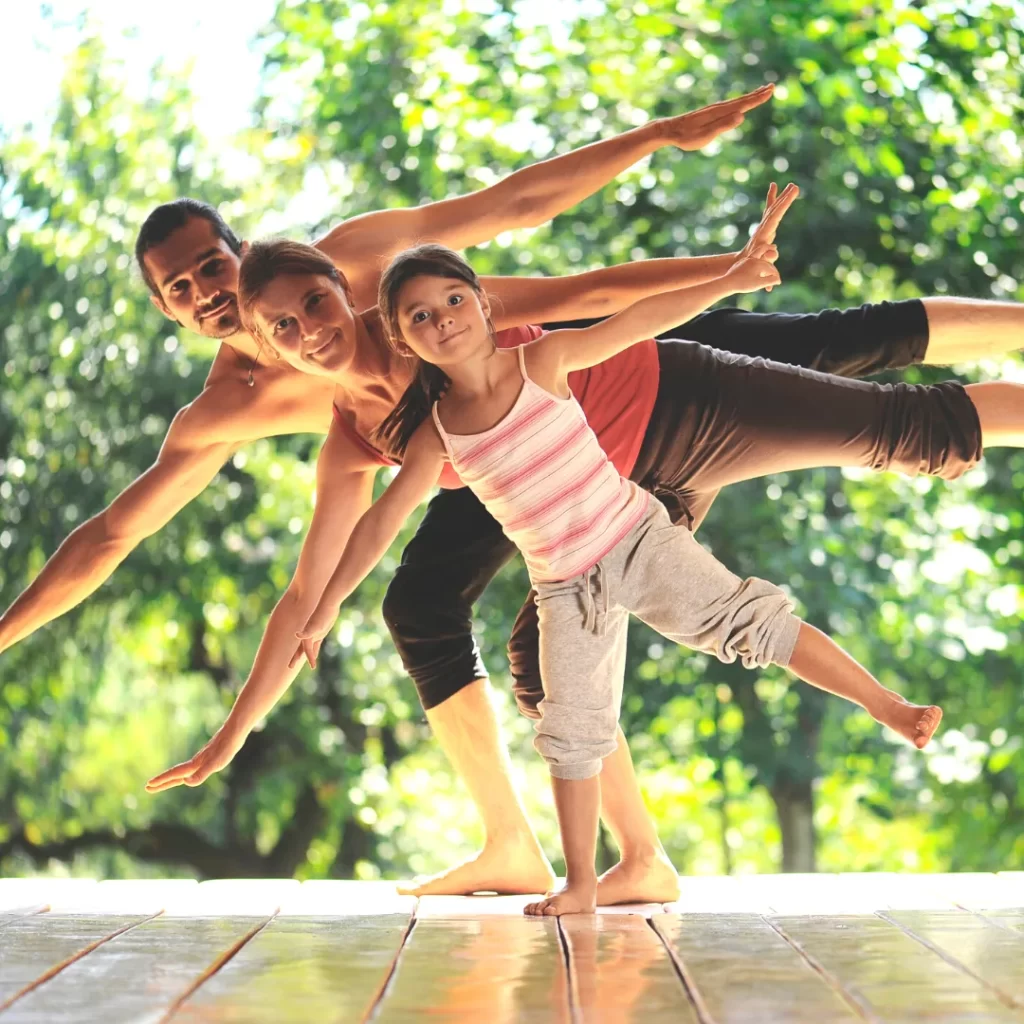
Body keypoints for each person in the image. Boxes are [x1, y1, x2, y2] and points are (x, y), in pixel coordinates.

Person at [147, 214, 1021, 908]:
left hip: (680, 403)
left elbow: (605, 306)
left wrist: (723, 272)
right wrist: (235, 730)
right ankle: (639, 860)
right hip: (623, 496)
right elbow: (317, 583)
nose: (309, 332)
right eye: (283, 329)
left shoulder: (446, 321)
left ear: (350, 293)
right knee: (541, 660)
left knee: (905, 428)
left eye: (317, 306)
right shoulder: (365, 435)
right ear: (264, 344)